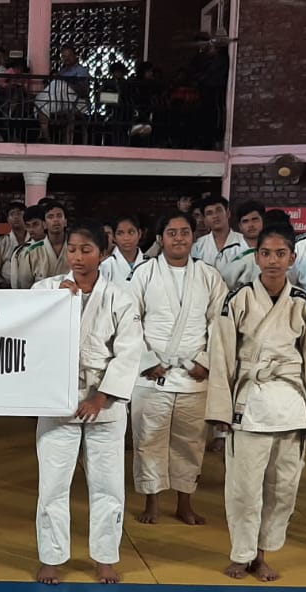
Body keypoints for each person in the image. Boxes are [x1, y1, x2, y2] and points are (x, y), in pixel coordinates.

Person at [206, 223, 306, 581]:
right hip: (250, 402)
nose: (273, 261)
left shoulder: (305, 303)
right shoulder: (238, 299)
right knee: (244, 488)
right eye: (266, 253)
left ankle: (262, 553)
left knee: (283, 488)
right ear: (256, 257)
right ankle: (241, 553)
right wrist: (220, 410)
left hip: (291, 404)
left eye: (280, 254)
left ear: (292, 258)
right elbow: (221, 356)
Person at [31, 221, 142, 584]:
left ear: (103, 253)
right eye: (72, 250)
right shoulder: (46, 290)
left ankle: (105, 557)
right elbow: (29, 335)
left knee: (108, 485)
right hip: (58, 399)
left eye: (86, 250)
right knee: (52, 485)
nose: (77, 257)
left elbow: (129, 352)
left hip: (104, 403)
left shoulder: (120, 297)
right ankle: (52, 556)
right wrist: (56, 304)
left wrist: (101, 397)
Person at [128, 212, 226, 525]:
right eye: (172, 233)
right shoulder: (145, 273)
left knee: (191, 442)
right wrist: (147, 361)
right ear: (160, 239)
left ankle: (185, 503)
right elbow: (130, 319)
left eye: (185, 232)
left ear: (193, 237)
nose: (179, 238)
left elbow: (220, 322)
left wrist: (206, 361)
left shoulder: (209, 275)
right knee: (148, 440)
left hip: (194, 374)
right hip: (152, 373)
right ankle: (152, 502)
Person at [191, 195, 253, 289]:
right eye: (209, 213)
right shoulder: (197, 246)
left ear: (228, 213)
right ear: (205, 219)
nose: (215, 216)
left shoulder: (244, 243)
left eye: (219, 210)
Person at [0, 201, 27, 288]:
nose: (16, 217)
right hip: (6, 288)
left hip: (31, 289)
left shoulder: (35, 240)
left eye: (19, 214)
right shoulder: (2, 242)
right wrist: (1, 285)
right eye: (12, 214)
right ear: (8, 220)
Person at [99, 214, 148, 282]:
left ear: (139, 234)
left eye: (131, 232)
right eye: (120, 233)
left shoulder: (151, 264)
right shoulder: (106, 266)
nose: (126, 238)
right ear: (114, 237)